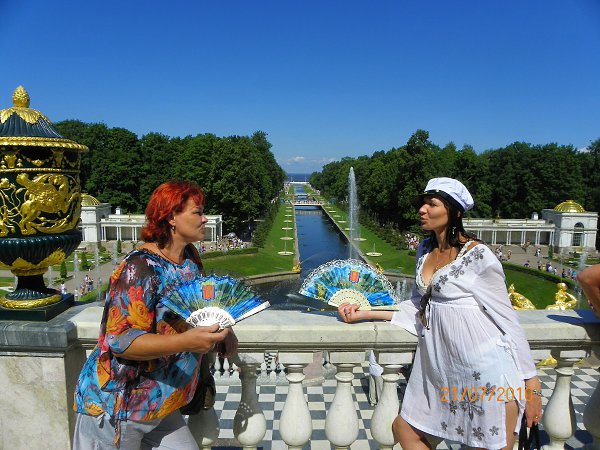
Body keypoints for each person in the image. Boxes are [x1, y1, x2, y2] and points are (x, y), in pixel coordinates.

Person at [338, 177, 542, 450]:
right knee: (404, 428)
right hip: (443, 372)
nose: (422, 210)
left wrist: (532, 387)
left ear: (454, 211)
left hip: (487, 372)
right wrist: (365, 312)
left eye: (431, 204)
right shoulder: (425, 249)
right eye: (422, 203)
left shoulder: (478, 255)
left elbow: (508, 321)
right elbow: (419, 305)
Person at [73, 181, 238, 450]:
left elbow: (199, 307)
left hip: (160, 403)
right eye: (197, 212)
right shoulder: (140, 267)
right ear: (172, 217)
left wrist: (224, 331)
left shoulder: (189, 258)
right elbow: (121, 342)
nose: (205, 218)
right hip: (118, 406)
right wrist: (187, 342)